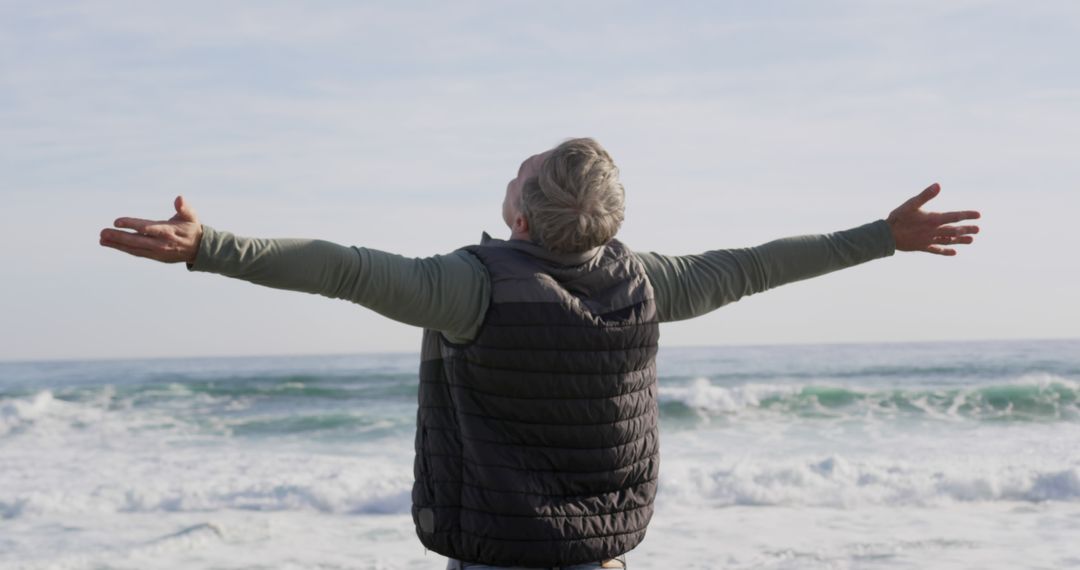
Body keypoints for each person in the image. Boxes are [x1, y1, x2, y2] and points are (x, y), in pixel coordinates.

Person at [99, 138, 980, 570]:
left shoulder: (466, 287)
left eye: (518, 180)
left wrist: (209, 246)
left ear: (519, 216)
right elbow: (755, 267)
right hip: (601, 553)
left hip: (495, 555)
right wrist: (881, 238)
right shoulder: (649, 282)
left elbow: (338, 268)